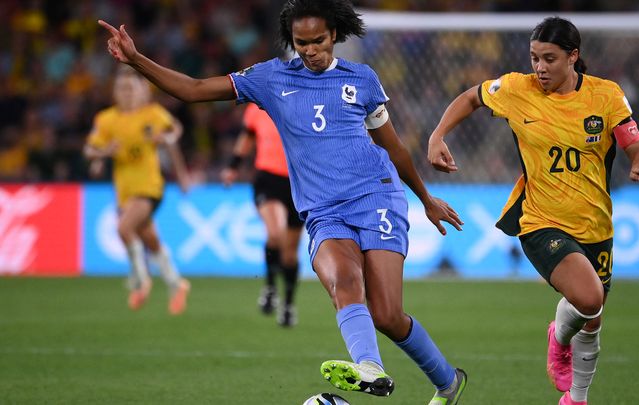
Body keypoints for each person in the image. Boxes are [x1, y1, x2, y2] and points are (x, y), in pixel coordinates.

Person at [99, 1, 467, 403]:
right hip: (323, 210)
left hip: (376, 195)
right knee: (343, 281)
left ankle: (448, 383)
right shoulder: (270, 77)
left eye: (318, 41)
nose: (310, 50)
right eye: (301, 42)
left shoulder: (361, 79)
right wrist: (136, 60)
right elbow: (194, 89)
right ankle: (370, 368)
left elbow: (393, 147)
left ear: (335, 36)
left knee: (387, 316)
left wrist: (426, 198)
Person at [428, 17, 639, 405]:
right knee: (589, 298)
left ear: (573, 57)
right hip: (539, 220)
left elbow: (632, 141)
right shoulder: (517, 89)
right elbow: (471, 97)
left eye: (549, 59)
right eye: (534, 58)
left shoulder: (606, 95)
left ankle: (575, 396)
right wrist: (437, 135)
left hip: (595, 223)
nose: (540, 67)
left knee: (592, 315)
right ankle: (563, 352)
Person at [84, 66, 191, 315]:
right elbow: (90, 149)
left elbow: (175, 129)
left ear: (140, 91)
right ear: (115, 93)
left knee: (123, 228)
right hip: (124, 189)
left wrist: (173, 151)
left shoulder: (152, 114)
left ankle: (141, 280)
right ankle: (177, 283)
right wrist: (102, 154)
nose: (127, 93)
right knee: (150, 239)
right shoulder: (106, 120)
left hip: (150, 186)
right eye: (122, 88)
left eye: (131, 88)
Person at [221, 103, 304, 328]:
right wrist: (233, 166)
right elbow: (247, 136)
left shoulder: (305, 103)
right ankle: (269, 287)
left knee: (289, 254)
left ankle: (288, 304)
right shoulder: (257, 106)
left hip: (300, 183)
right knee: (275, 233)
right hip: (267, 179)